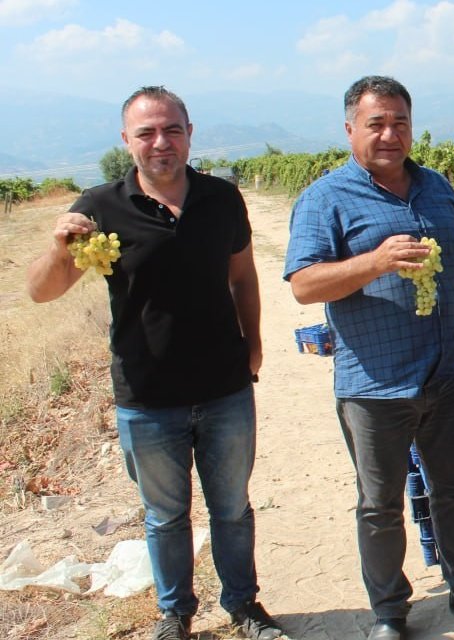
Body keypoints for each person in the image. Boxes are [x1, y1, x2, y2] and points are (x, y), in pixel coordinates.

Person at [25, 86, 282, 640]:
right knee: (165, 518)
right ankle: (176, 616)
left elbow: (243, 277)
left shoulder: (222, 199)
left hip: (224, 387)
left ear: (190, 134)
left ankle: (243, 606)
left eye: (172, 130)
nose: (160, 143)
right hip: (146, 396)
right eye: (146, 132)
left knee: (232, 510)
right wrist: (57, 247)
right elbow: (42, 293)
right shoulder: (99, 209)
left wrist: (254, 343)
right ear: (127, 141)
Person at [283, 76, 454, 640]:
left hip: (444, 371)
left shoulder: (437, 187)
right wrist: (374, 262)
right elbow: (304, 284)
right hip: (373, 382)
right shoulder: (326, 198)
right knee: (380, 505)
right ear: (350, 130)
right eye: (376, 123)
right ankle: (390, 612)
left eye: (400, 123)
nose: (390, 134)